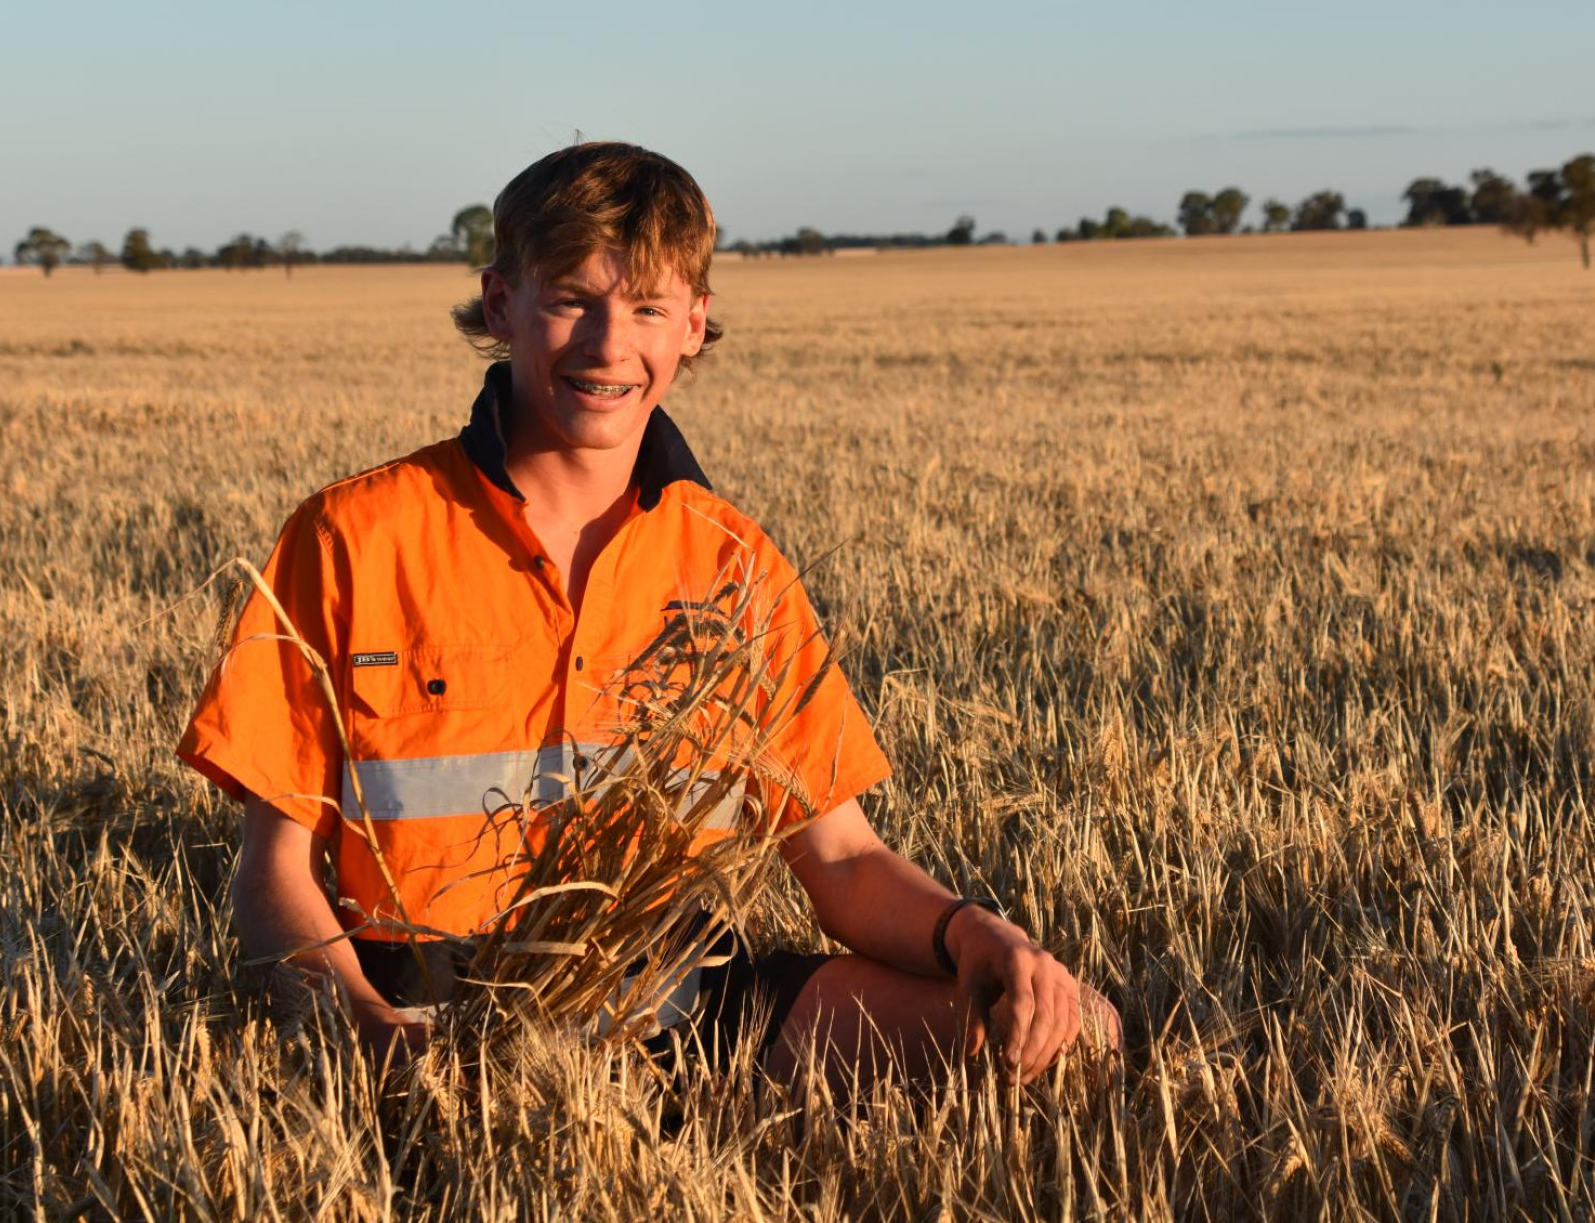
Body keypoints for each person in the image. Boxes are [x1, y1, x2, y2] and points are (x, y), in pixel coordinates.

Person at [179, 142, 1119, 1086]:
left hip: (685, 1013)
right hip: (435, 1033)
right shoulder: (353, 536)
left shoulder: (734, 564)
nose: (608, 345)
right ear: (502, 302)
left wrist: (977, 934)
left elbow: (841, 857)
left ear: (694, 328)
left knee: (1073, 1033)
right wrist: (371, 1034)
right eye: (572, 299)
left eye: (648, 308)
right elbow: (272, 877)